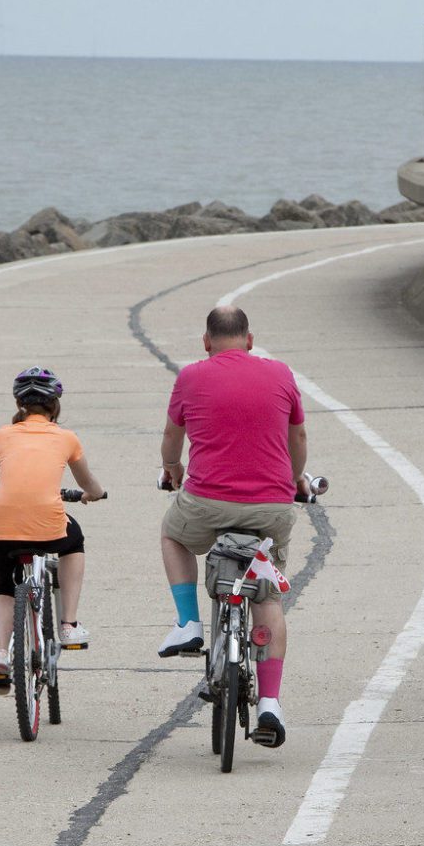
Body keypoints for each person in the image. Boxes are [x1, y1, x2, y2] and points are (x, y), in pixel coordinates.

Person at [158, 304, 308, 748]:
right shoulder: (280, 372)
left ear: (206, 342)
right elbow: (297, 437)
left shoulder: (191, 376)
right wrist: (295, 480)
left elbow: (172, 437)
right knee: (267, 594)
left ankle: (188, 623)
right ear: (250, 339)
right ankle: (270, 704)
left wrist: (172, 469)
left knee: (172, 534)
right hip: (271, 508)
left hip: (207, 502)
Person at [0, 367, 106, 692]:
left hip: (1, 523)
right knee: (74, 541)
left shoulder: (2, 436)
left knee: (3, 587)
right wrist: (94, 495)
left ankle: (2, 653)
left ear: (19, 403)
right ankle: (69, 623)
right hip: (49, 523)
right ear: (54, 405)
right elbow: (89, 484)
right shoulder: (66, 437)